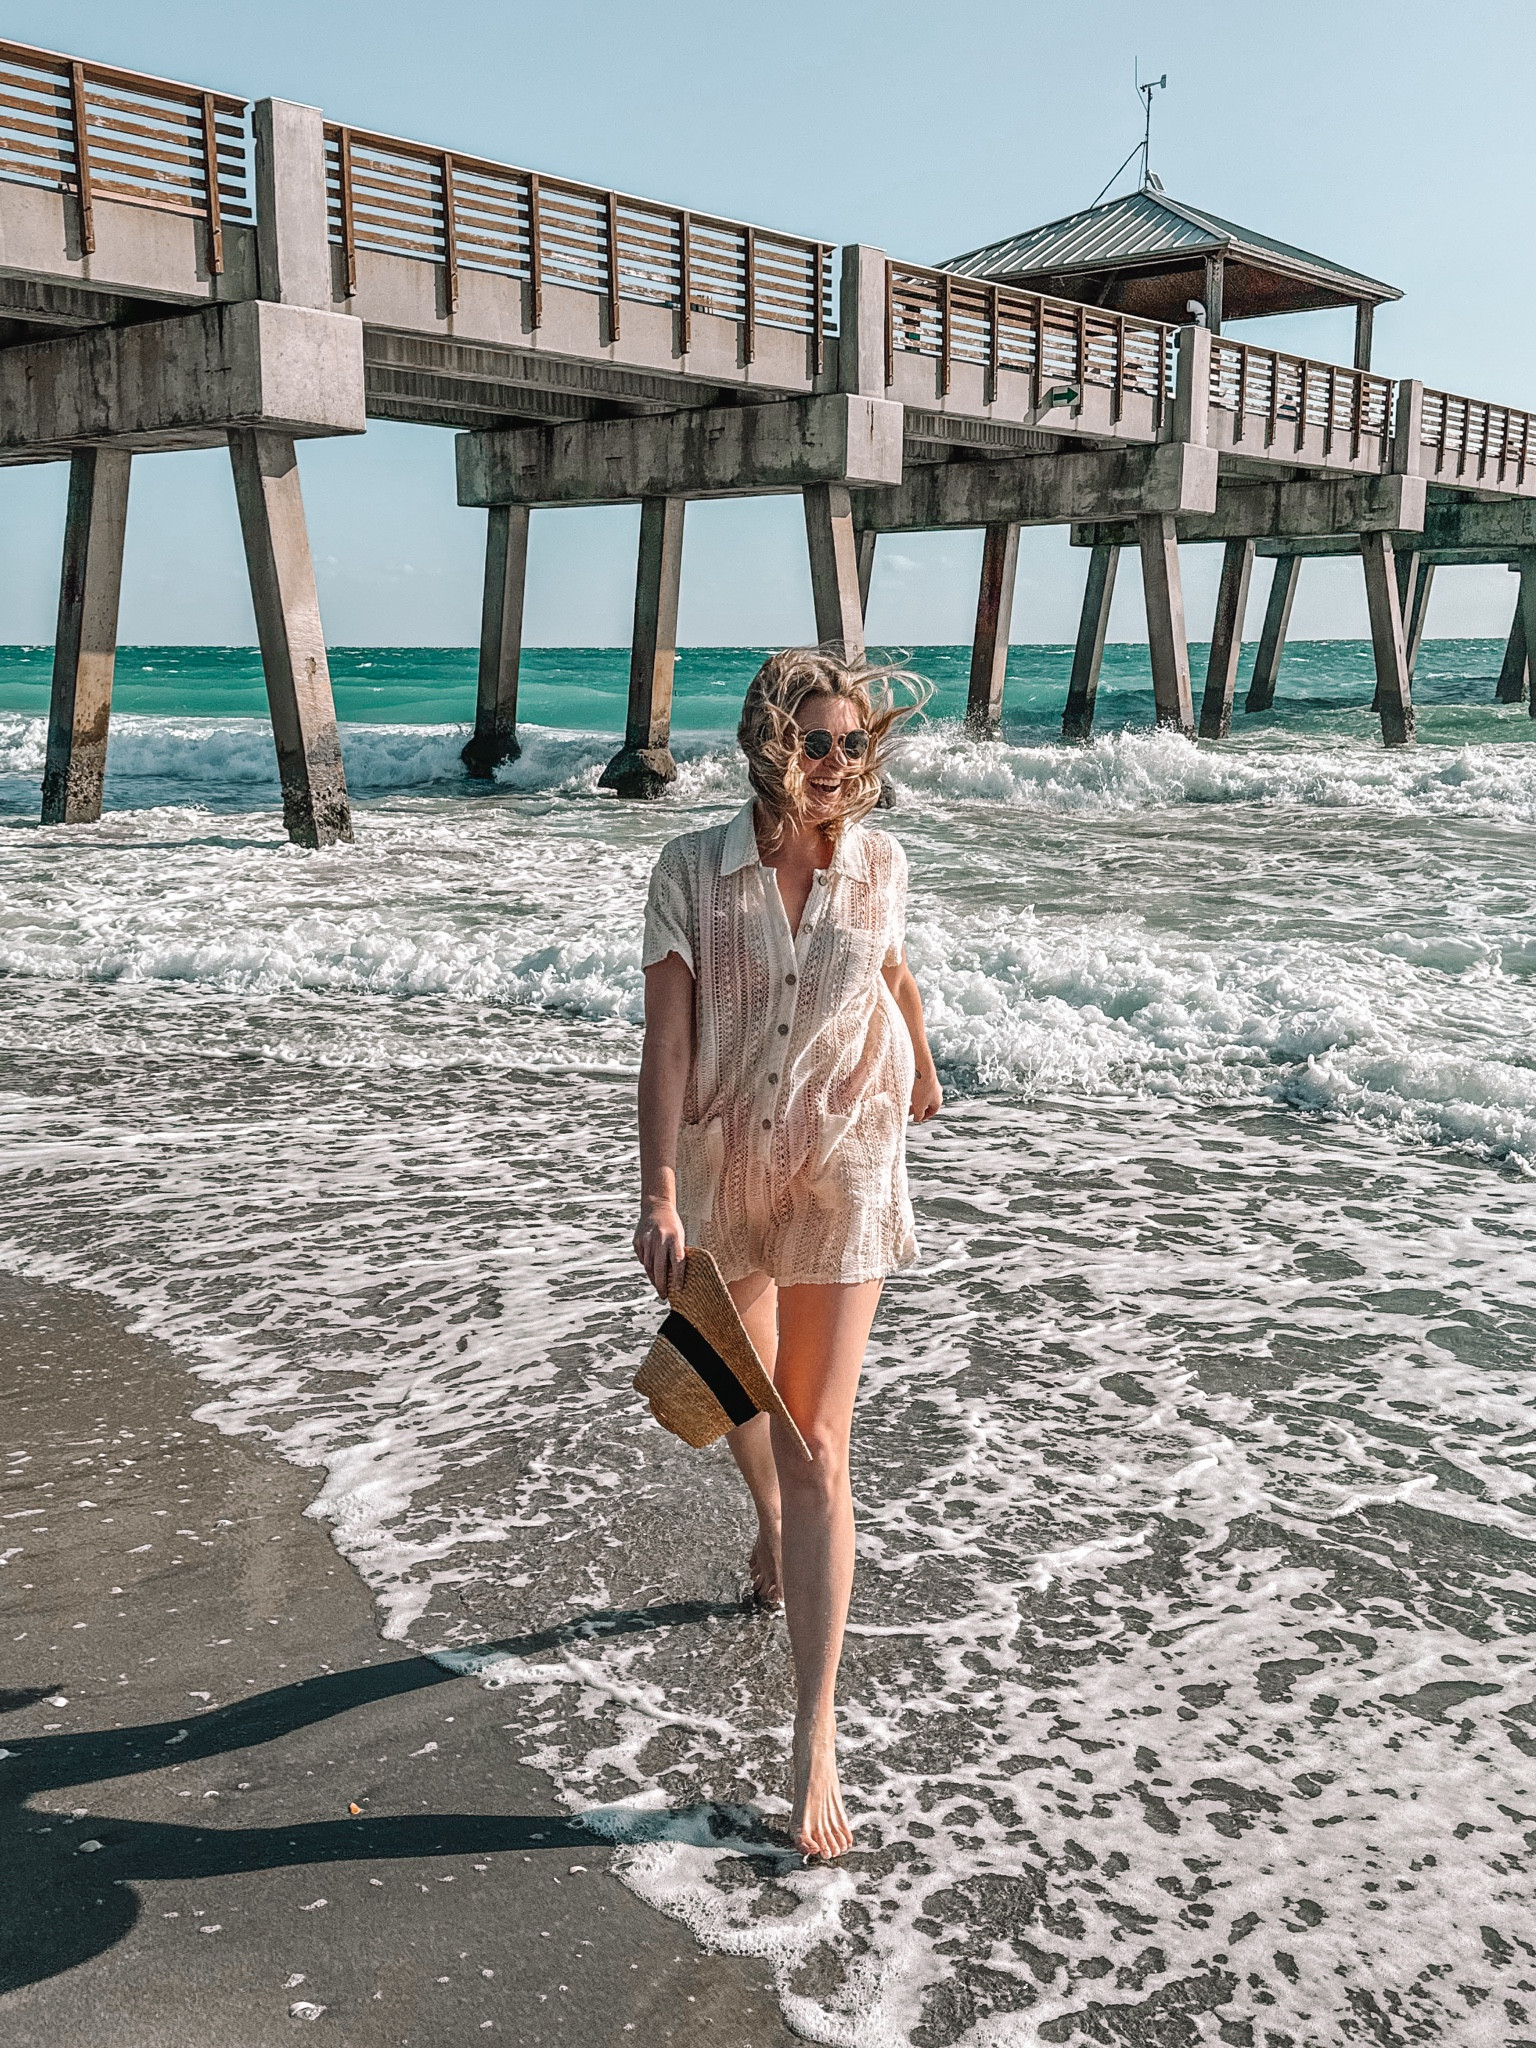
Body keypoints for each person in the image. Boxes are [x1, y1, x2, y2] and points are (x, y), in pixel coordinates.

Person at [632, 646, 942, 1860]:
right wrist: (657, 1187)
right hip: (721, 1160)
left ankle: (814, 1735)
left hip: (844, 1160)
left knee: (821, 1439)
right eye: (817, 741)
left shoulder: (881, 864)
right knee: (731, 1387)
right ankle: (765, 1519)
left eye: (853, 743)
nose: (837, 763)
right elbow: (666, 1043)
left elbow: (893, 970)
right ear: (771, 741)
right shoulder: (691, 873)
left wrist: (920, 1055)